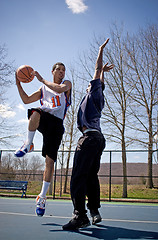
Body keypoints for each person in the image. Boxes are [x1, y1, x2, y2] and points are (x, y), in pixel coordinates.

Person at [62, 39, 114, 230]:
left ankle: (80, 216)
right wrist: (102, 76)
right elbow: (100, 78)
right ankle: (94, 210)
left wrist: (100, 51)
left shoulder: (94, 93)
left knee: (77, 177)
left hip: (90, 138)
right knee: (91, 176)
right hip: (97, 139)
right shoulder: (94, 96)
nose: (90, 83)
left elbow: (97, 69)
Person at [14, 62, 72, 216]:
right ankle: (28, 144)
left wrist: (41, 80)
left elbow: (59, 89)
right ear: (52, 71)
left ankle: (42, 197)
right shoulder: (43, 89)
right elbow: (26, 100)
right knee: (35, 112)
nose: (61, 72)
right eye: (58, 70)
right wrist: (18, 83)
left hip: (57, 125)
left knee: (50, 162)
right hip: (45, 119)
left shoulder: (67, 84)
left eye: (63, 70)